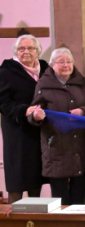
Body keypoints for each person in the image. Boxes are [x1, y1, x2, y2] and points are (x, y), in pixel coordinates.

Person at [28, 47, 85, 205]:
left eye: (69, 61)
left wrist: (83, 111)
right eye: (61, 62)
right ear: (52, 65)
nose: (66, 65)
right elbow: (33, 112)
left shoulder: (83, 83)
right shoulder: (43, 85)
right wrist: (36, 116)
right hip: (56, 146)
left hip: (80, 145)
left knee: (79, 194)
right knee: (60, 199)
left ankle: (78, 219)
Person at [0, 35, 48, 203]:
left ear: (38, 51)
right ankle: (15, 215)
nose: (26, 52)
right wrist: (24, 110)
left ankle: (34, 215)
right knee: (17, 179)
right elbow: (3, 102)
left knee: (35, 177)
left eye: (30, 48)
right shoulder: (6, 72)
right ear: (16, 51)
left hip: (39, 130)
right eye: (21, 49)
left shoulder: (45, 69)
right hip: (17, 132)